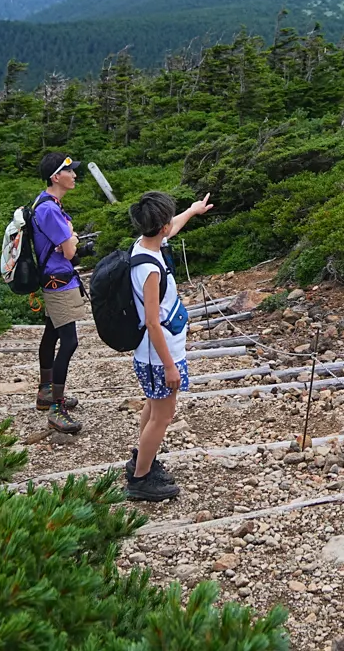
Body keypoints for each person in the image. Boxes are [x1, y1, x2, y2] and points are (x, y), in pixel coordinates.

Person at [125, 188, 214, 502]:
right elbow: (152, 322)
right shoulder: (149, 268)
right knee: (163, 416)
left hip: (152, 352)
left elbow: (173, 225)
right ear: (159, 227)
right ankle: (140, 480)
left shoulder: (145, 246)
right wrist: (169, 365)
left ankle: (143, 461)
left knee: (153, 406)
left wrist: (192, 210)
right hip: (158, 355)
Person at [32, 152, 91, 434]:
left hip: (53, 279)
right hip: (59, 282)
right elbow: (69, 251)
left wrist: (69, 236)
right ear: (57, 177)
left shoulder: (45, 202)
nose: (75, 175)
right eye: (70, 172)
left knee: (51, 334)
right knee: (69, 342)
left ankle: (46, 392)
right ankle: (57, 409)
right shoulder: (50, 209)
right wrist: (72, 238)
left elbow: (65, 243)